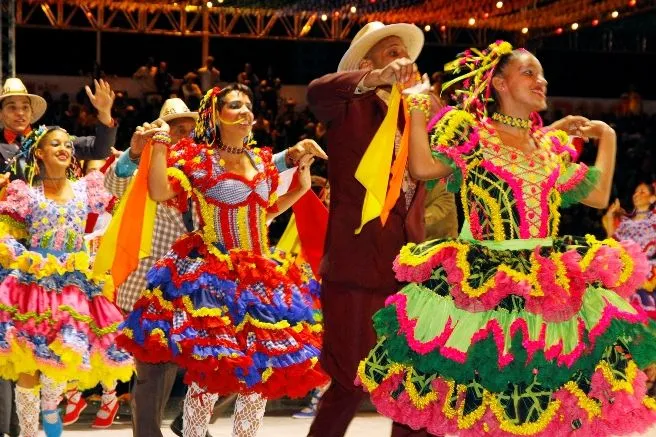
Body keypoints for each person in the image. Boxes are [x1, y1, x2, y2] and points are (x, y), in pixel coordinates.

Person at [357, 41, 656, 436]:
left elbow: (599, 196)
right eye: (529, 73)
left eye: (542, 73)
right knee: (491, 403)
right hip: (488, 286)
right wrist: (414, 111)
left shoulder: (549, 147)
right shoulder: (472, 135)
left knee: (545, 402)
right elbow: (423, 166)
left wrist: (609, 137)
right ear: (498, 82)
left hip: (550, 286)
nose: (541, 81)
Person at [115, 84, 328, 437]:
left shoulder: (260, 159)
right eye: (235, 105)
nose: (245, 111)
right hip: (213, 278)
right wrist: (159, 147)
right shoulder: (198, 159)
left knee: (259, 377)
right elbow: (158, 191)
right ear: (215, 115)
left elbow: (264, 212)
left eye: (248, 105)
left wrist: (300, 189)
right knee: (211, 375)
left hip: (261, 278)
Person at [306, 21, 436, 437]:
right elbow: (317, 90)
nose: (403, 61)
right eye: (390, 53)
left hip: (410, 264)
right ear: (367, 63)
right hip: (357, 264)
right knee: (348, 379)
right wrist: (376, 80)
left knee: (414, 381)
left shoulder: (416, 116)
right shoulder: (348, 106)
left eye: (405, 54)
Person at [0, 77, 117, 437]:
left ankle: (50, 410)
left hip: (68, 281)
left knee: (57, 355)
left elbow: (103, 147)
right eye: (11, 106)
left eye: (24, 107)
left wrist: (104, 115)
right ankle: (24, 430)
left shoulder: (70, 165)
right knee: (22, 357)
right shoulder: (22, 183)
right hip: (26, 273)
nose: (19, 113)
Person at [603, 182, 656, 317]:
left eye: (642, 192)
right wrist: (610, 217)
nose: (637, 194)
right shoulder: (625, 222)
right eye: (636, 191)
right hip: (623, 274)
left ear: (652, 198)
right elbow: (612, 243)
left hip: (646, 277)